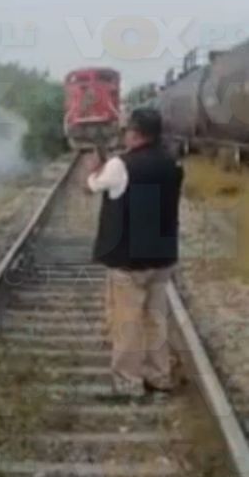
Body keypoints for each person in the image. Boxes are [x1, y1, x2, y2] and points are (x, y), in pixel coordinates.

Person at [85, 108, 184, 397]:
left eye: (127, 130)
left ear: (136, 133)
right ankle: (160, 375)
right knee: (156, 317)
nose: (125, 134)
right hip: (162, 255)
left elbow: (90, 186)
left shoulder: (120, 165)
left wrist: (95, 167)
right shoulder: (172, 163)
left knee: (127, 319)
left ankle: (129, 382)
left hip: (128, 258)